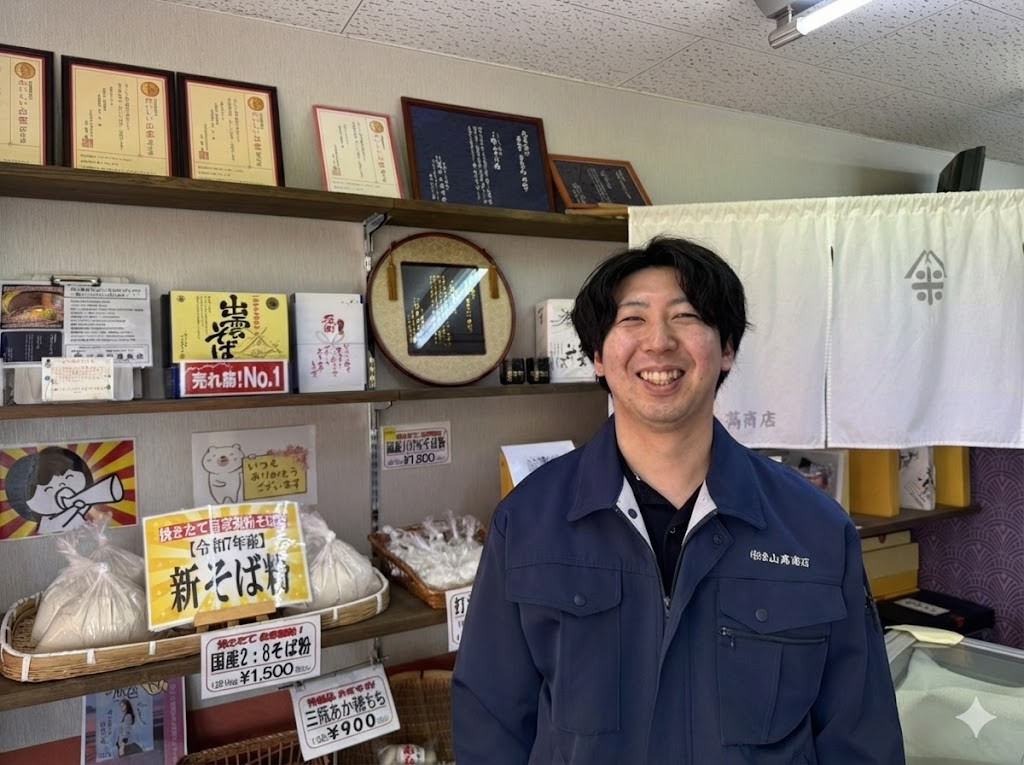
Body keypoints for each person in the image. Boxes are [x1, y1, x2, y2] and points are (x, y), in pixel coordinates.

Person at [452, 237, 905, 764]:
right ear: (597, 357)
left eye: (686, 316)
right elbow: (491, 723)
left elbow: (860, 733)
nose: (659, 342)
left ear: (727, 348)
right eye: (632, 319)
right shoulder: (528, 521)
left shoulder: (815, 528)